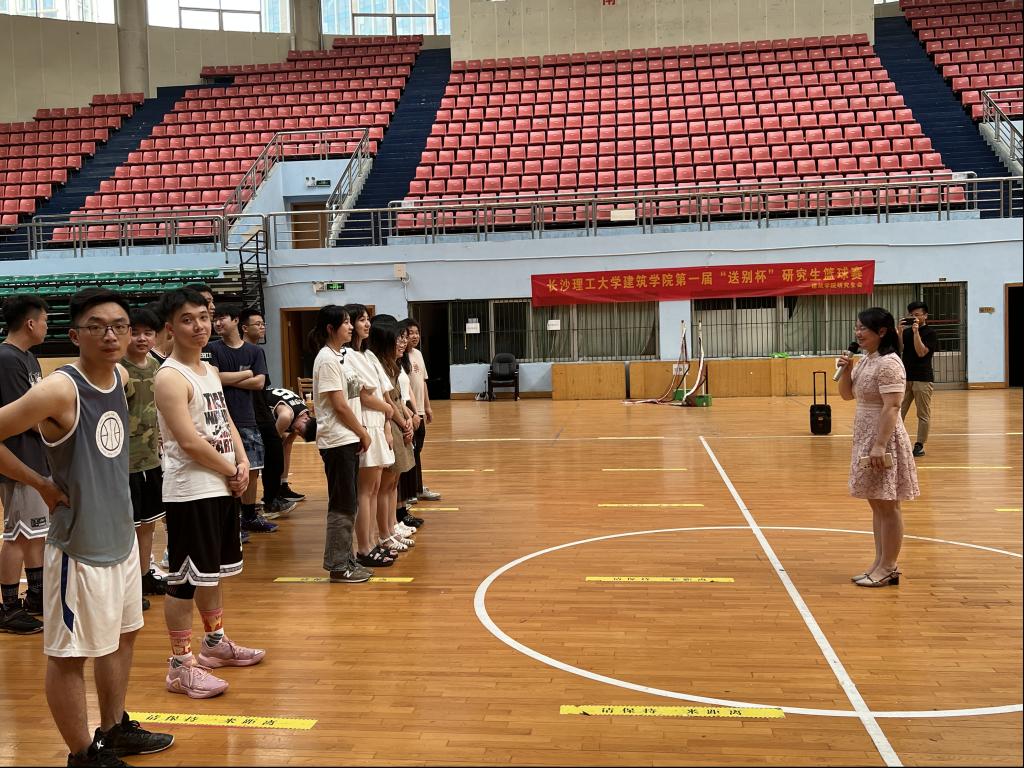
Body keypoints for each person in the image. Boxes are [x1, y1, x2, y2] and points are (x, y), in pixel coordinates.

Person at [0, 288, 174, 766]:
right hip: (77, 548)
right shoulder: (60, 389)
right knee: (69, 655)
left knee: (122, 637)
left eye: (119, 325)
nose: (111, 335)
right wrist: (40, 483)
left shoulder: (120, 376)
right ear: (75, 335)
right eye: (97, 326)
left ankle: (114, 729)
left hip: (121, 539)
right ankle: (82, 755)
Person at [155, 288, 265, 700]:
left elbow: (226, 423)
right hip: (190, 492)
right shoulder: (170, 377)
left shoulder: (208, 370)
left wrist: (242, 463)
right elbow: (188, 441)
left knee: (211, 573)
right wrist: (231, 470)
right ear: (171, 327)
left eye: (203, 317)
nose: (199, 326)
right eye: (187, 319)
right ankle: (180, 665)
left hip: (219, 484)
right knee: (184, 580)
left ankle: (215, 644)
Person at [837, 307, 920, 588]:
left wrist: (880, 445)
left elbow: (893, 406)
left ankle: (889, 566)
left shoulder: (889, 364)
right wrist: (847, 370)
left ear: (881, 332)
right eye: (856, 327)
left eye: (863, 328)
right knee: (877, 503)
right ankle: (879, 562)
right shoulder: (866, 360)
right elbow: (847, 395)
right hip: (865, 436)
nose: (857, 333)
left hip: (884, 439)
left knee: (888, 504)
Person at [310, 306, 373, 583]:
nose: (350, 327)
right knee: (342, 503)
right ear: (330, 328)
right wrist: (362, 432)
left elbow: (353, 397)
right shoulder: (326, 359)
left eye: (350, 322)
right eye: (345, 323)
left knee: (349, 502)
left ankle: (346, 559)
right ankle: (338, 566)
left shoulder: (342, 355)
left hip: (348, 438)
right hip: (337, 440)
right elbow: (339, 405)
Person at [0, 295, 49, 634]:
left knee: (34, 532)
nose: (47, 326)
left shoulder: (28, 357)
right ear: (30, 323)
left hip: (34, 456)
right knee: (16, 534)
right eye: (44, 320)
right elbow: (24, 416)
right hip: (17, 460)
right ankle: (7, 607)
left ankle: (36, 594)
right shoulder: (6, 360)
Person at [209, 305, 275, 533]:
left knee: (252, 468)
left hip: (247, 417)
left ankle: (249, 516)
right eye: (215, 319)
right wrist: (247, 373)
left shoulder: (255, 351)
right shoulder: (211, 348)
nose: (217, 323)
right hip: (220, 419)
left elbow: (259, 383)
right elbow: (213, 378)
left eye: (222, 318)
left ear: (236, 321)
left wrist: (229, 378)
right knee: (226, 469)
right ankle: (231, 521)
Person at [343, 304, 398, 569]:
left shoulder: (369, 355)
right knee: (365, 491)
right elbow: (363, 396)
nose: (367, 324)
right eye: (361, 320)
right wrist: (388, 409)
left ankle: (375, 541)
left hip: (379, 424)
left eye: (368, 319)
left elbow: (384, 393)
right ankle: (364, 547)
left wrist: (387, 424)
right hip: (365, 424)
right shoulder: (346, 356)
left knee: (375, 488)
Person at [122, 308, 168, 611]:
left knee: (149, 524)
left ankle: (143, 576)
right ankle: (127, 588)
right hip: (123, 464)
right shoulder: (118, 369)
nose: (141, 338)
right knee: (127, 527)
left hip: (152, 459)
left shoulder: (158, 367)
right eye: (135, 332)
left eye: (147, 333)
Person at [366, 316, 417, 554]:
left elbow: (398, 398)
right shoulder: (376, 364)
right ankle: (385, 532)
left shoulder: (391, 364)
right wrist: (403, 422)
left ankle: (392, 527)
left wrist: (407, 418)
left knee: (393, 481)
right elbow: (387, 401)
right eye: (397, 338)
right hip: (387, 424)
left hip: (396, 422)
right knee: (385, 483)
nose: (402, 342)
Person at [239, 308, 295, 519]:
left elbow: (262, 385)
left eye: (263, 324)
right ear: (244, 328)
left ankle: (271, 498)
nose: (262, 327)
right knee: (253, 463)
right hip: (247, 413)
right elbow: (254, 383)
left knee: (275, 453)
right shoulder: (240, 352)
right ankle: (259, 505)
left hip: (262, 411)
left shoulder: (258, 352)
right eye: (258, 324)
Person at [402, 318, 441, 503]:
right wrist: (412, 412)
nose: (414, 336)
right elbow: (403, 389)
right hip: (409, 413)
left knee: (417, 452)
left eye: (417, 332)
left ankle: (417, 487)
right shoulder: (401, 357)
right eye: (410, 333)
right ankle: (409, 491)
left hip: (420, 412)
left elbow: (422, 383)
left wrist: (427, 407)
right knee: (410, 453)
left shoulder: (418, 353)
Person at [898, 301, 937, 458]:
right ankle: (896, 441)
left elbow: (921, 352)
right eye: (911, 315)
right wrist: (900, 332)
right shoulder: (907, 332)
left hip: (923, 378)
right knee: (897, 411)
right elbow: (899, 349)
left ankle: (919, 444)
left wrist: (916, 333)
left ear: (925, 316)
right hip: (906, 378)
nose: (914, 317)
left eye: (917, 315)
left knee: (923, 414)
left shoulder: (930, 333)